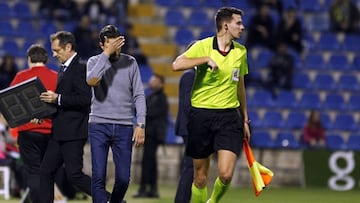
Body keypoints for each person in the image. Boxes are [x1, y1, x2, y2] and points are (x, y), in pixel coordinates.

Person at [172, 7, 251, 203]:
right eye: (238, 23)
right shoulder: (203, 45)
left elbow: (240, 86)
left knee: (225, 174)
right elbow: (176, 65)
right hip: (201, 116)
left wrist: (245, 119)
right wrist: (205, 59)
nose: (242, 27)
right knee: (199, 178)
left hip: (229, 117)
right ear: (226, 25)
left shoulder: (241, 52)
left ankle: (212, 201)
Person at [86, 24, 146, 203]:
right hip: (98, 125)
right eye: (109, 44)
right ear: (102, 45)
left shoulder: (130, 62)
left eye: (116, 43)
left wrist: (141, 123)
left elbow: (139, 94)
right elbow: (92, 80)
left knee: (122, 179)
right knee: (98, 177)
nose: (114, 47)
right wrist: (106, 55)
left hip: (124, 126)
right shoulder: (93, 61)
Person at [39, 31, 92, 203]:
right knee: (46, 171)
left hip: (73, 132)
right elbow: (60, 103)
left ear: (68, 47)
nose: (54, 54)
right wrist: (43, 114)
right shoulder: (64, 69)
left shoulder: (81, 68)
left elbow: (85, 99)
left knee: (75, 175)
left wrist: (58, 98)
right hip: (59, 132)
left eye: (57, 50)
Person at [9, 44, 58, 202]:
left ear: (29, 59)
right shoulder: (57, 76)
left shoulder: (21, 76)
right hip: (51, 133)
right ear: (46, 59)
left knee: (34, 172)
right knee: (48, 173)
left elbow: (10, 103)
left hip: (28, 132)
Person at [133, 74, 169, 198]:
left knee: (148, 162)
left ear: (161, 83)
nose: (151, 82)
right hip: (149, 134)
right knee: (149, 162)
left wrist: (142, 112)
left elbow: (150, 113)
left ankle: (145, 188)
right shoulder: (151, 97)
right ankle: (151, 189)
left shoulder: (161, 98)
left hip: (153, 134)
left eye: (154, 80)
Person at [174, 68, 195, 203]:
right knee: (190, 167)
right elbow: (187, 104)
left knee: (191, 166)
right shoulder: (190, 75)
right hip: (190, 127)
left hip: (191, 127)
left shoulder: (192, 75)